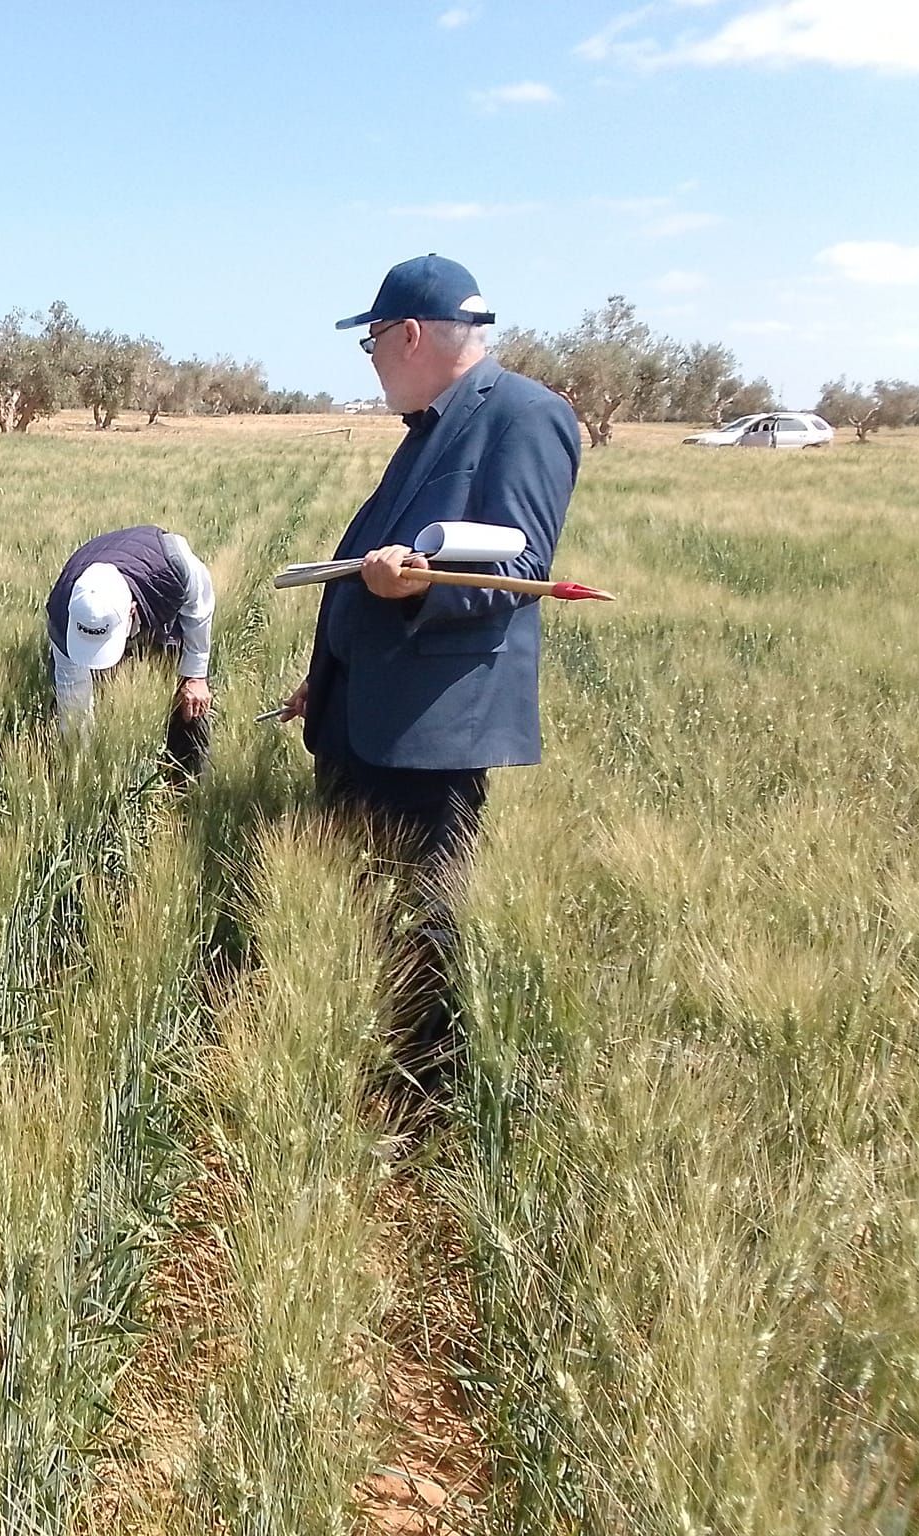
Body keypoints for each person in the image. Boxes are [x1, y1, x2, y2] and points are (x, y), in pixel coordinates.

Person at [277, 254, 581, 1100]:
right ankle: (367, 1053)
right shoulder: (426, 429)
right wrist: (323, 679)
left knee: (424, 920)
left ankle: (426, 1095)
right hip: (360, 713)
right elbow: (356, 573)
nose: (371, 362)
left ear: (408, 335)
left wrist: (416, 585)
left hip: (430, 732)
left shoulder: (525, 416)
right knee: (362, 906)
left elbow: (520, 564)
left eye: (371, 342)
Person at [47, 526, 216, 781]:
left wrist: (196, 674)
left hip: (154, 583)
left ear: (131, 611)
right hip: (118, 581)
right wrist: (82, 767)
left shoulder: (171, 566)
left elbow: (199, 604)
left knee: (189, 698)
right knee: (92, 695)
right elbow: (74, 699)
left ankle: (186, 780)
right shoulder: (62, 614)